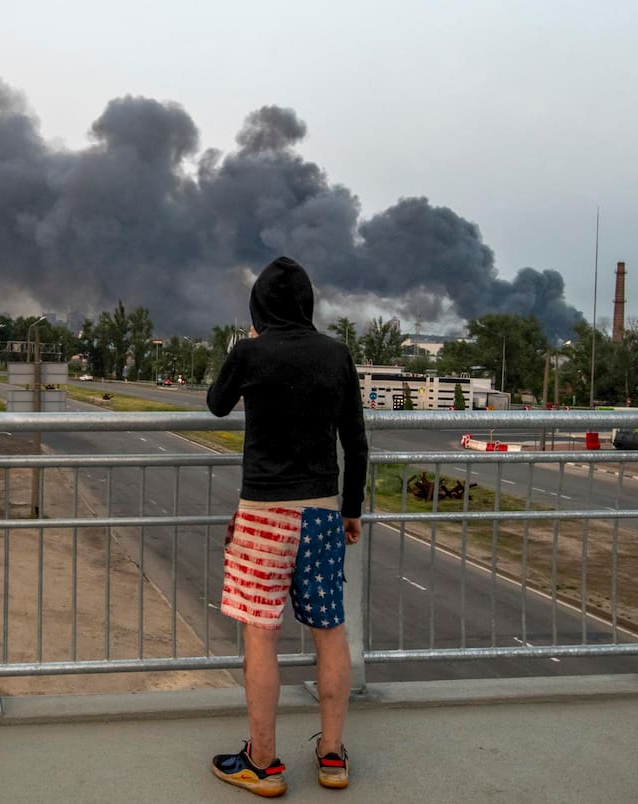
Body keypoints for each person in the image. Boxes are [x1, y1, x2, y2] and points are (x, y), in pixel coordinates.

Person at [206, 256, 368, 797]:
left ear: (259, 307)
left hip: (264, 516)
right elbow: (356, 441)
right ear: (308, 304)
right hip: (322, 511)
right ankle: (331, 756)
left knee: (260, 634)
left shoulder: (250, 352)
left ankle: (263, 762)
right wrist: (352, 509)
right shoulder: (336, 354)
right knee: (330, 634)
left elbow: (216, 405)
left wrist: (246, 345)